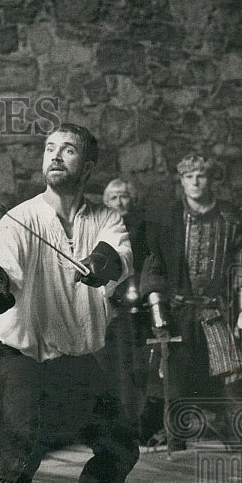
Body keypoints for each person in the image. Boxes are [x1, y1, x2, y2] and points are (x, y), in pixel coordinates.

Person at [0, 123, 142, 483]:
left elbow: (117, 255)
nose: (55, 156)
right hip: (23, 350)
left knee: (121, 444)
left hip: (76, 353)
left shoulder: (106, 218)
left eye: (67, 150)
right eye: (50, 149)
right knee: (25, 446)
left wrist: (103, 265)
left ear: (86, 166)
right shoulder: (20, 218)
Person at [140, 155, 242, 454]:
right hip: (178, 313)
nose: (195, 182)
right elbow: (154, 266)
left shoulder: (230, 219)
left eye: (201, 176)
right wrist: (158, 311)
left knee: (233, 376)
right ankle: (176, 443)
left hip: (216, 312)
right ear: (181, 180)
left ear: (212, 180)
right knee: (175, 380)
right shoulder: (168, 219)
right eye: (188, 177)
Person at [96, 178, 154, 438]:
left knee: (135, 367)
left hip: (137, 304)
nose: (119, 202)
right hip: (107, 305)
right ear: (105, 203)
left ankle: (137, 423)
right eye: (113, 198)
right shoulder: (100, 229)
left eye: (124, 196)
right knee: (109, 366)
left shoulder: (143, 229)